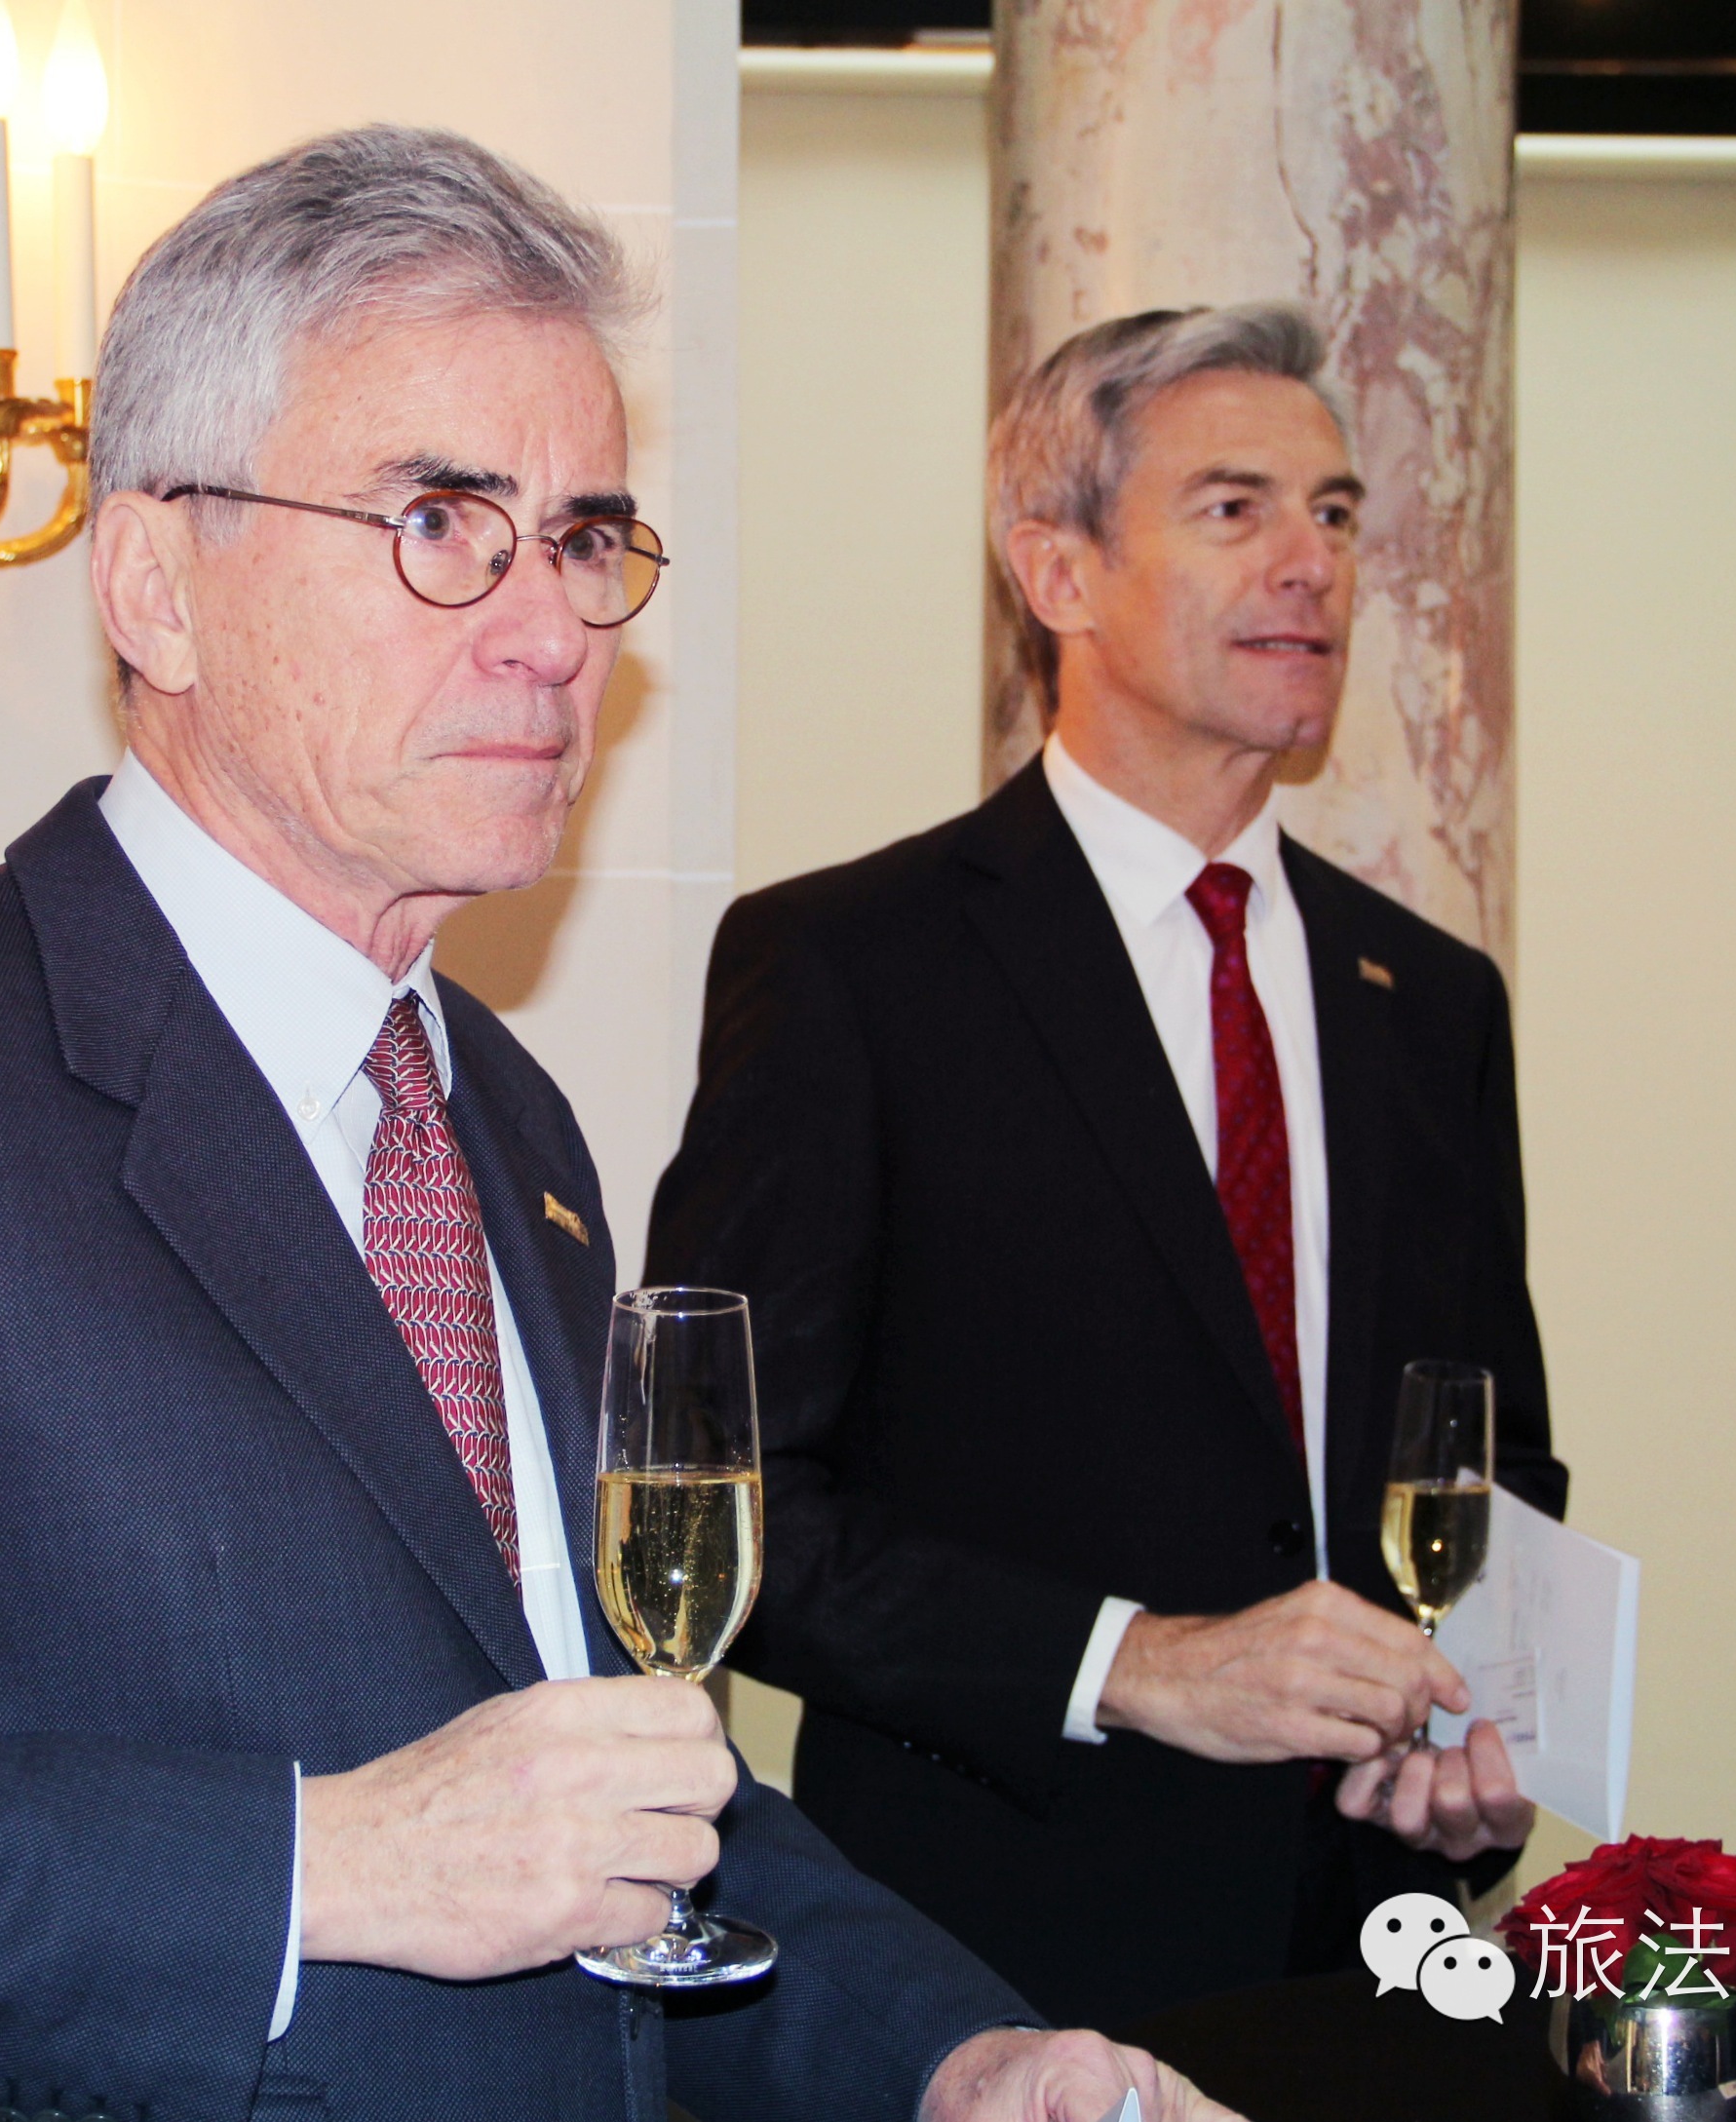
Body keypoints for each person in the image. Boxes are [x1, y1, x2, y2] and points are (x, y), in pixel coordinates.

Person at [0, 129, 1238, 2122]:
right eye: (443, 521)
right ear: (156, 587)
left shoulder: (505, 1120)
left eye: (584, 537)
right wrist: (314, 1868)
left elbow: (603, 1782)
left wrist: (955, 2055)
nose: (554, 631)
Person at [645, 302, 1569, 2030]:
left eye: (1336, 513)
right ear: (1056, 569)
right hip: (991, 1974)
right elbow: (727, 1508)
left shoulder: (1431, 1000)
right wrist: (1132, 1663)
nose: (1311, 562)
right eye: (1235, 508)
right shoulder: (855, 967)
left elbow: (1489, 1456)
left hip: (1369, 1961)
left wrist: (1473, 1730)